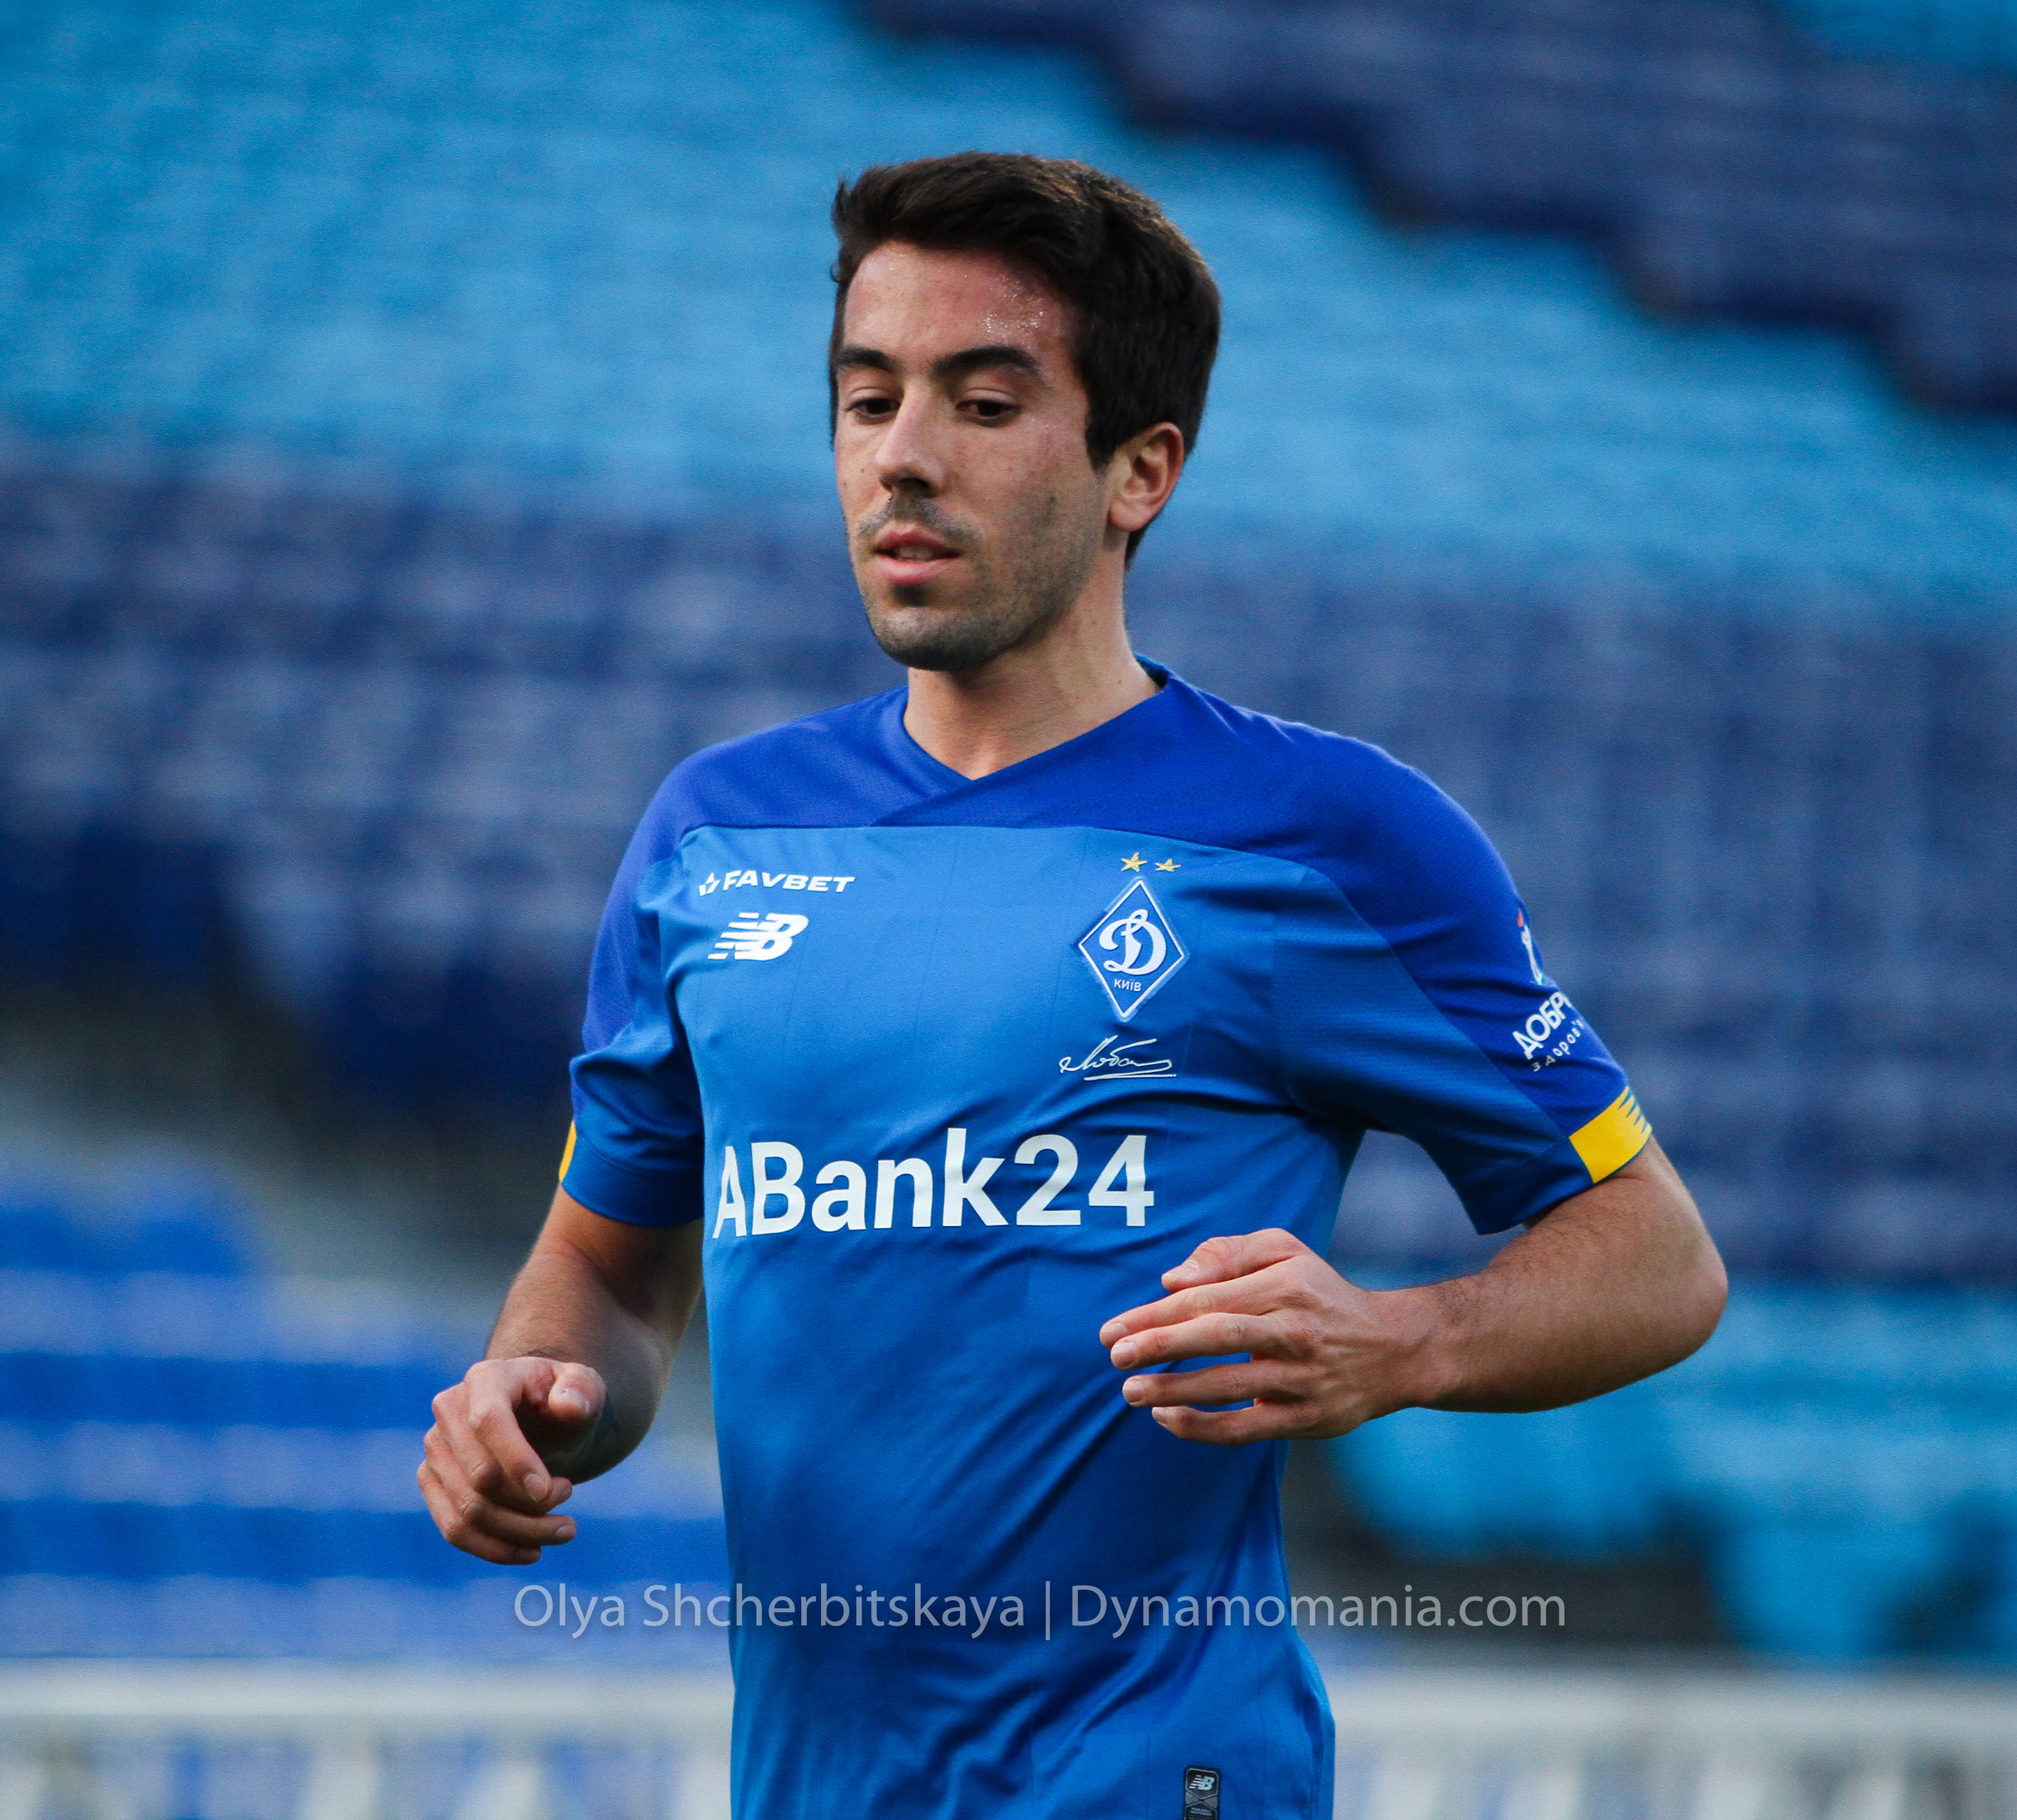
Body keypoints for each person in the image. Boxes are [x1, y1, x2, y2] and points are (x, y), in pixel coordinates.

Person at [420, 152, 1726, 1819]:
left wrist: (1401, 1344)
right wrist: (537, 1399)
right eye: (867, 398)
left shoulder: (1328, 837)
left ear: (1140, 470)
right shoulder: (713, 837)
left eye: (983, 404)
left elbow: (1658, 1258)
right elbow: (606, 1273)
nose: (901, 455)